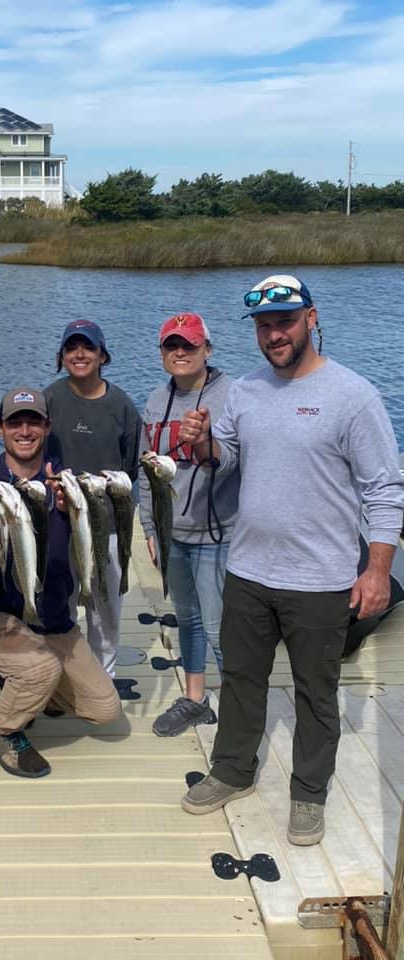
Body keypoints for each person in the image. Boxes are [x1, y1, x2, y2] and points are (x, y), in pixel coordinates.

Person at [179, 274, 404, 845]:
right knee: (241, 677)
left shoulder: (354, 396)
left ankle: (309, 793)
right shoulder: (246, 392)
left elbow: (384, 489)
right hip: (249, 568)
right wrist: (204, 444)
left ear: (311, 318)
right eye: (263, 325)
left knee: (315, 690)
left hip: (322, 578)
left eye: (284, 321)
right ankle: (232, 769)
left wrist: (377, 571)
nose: (274, 334)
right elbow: (225, 457)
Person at [0, 387, 121, 778]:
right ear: (1, 429)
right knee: (39, 670)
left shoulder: (67, 483)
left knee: (105, 710)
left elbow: (92, 541)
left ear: (47, 427)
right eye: (15, 422)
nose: (25, 430)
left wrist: (75, 508)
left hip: (51, 620)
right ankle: (1, 729)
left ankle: (33, 685)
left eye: (33, 421)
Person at [140, 313, 239, 737]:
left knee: (219, 626)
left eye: (190, 345)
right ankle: (195, 699)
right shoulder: (153, 400)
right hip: (172, 533)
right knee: (187, 618)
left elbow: (236, 459)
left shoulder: (233, 395)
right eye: (171, 345)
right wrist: (149, 527)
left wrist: (207, 442)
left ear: (207, 350)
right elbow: (146, 471)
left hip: (218, 534)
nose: (180, 353)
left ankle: (238, 709)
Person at [45, 320, 141, 678]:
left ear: (102, 354)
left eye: (88, 348)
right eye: (72, 348)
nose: (80, 355)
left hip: (109, 526)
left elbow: (132, 467)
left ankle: (105, 678)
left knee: (106, 608)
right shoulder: (51, 398)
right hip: (62, 522)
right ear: (62, 356)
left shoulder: (122, 405)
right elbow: (37, 455)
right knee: (61, 603)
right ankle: (63, 678)